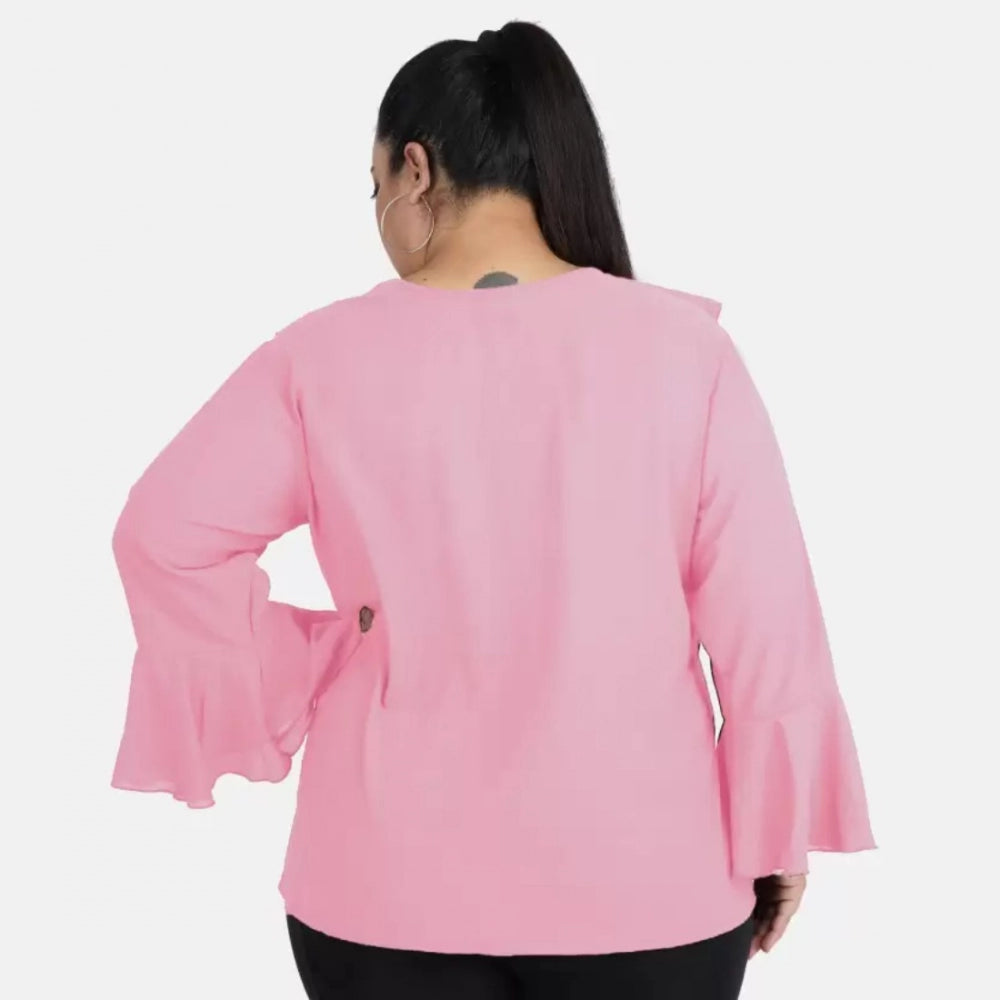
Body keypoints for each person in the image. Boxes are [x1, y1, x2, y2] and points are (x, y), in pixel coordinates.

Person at [108, 19, 877, 1000]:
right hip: (649, 887)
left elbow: (163, 537)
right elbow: (767, 627)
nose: (378, 213)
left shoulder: (317, 357)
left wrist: (330, 655)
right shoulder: (686, 353)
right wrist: (776, 830)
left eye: (373, 186)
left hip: (379, 888)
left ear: (415, 169)